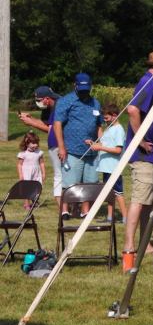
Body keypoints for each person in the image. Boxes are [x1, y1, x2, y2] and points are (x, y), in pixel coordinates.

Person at [123, 51, 153, 271]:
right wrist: (141, 140)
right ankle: (129, 248)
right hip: (145, 155)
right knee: (139, 200)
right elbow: (132, 109)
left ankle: (145, 244)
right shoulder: (148, 82)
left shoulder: (152, 84)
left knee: (147, 203)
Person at [53, 73, 103, 218]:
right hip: (72, 150)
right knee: (70, 183)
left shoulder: (95, 103)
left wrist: (101, 143)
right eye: (81, 88)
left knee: (90, 182)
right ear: (75, 85)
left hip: (92, 152)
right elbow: (57, 124)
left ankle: (85, 210)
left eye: (86, 88)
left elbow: (99, 125)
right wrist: (61, 147)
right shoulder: (65, 101)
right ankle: (65, 210)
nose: (84, 91)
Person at [19, 86, 62, 208]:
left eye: (39, 100)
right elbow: (46, 125)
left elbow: (52, 130)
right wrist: (30, 118)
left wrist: (31, 123)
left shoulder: (58, 106)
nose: (38, 103)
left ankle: (64, 204)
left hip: (60, 144)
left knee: (61, 175)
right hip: (54, 144)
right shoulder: (48, 107)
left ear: (47, 99)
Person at [87, 104, 126, 224]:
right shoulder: (109, 128)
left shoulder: (118, 130)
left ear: (114, 116)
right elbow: (105, 144)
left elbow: (118, 150)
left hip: (113, 168)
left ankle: (126, 217)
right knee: (109, 193)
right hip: (106, 167)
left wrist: (100, 148)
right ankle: (110, 217)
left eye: (107, 118)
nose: (105, 120)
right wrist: (93, 143)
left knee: (118, 193)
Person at [17, 131, 45, 209]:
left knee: (37, 187)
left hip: (36, 173)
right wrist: (21, 175)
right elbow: (19, 164)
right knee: (27, 188)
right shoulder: (23, 154)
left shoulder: (39, 153)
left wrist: (43, 173)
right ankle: (26, 204)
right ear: (26, 143)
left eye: (36, 143)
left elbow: (42, 163)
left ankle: (34, 201)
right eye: (32, 143)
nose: (35, 145)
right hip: (27, 173)